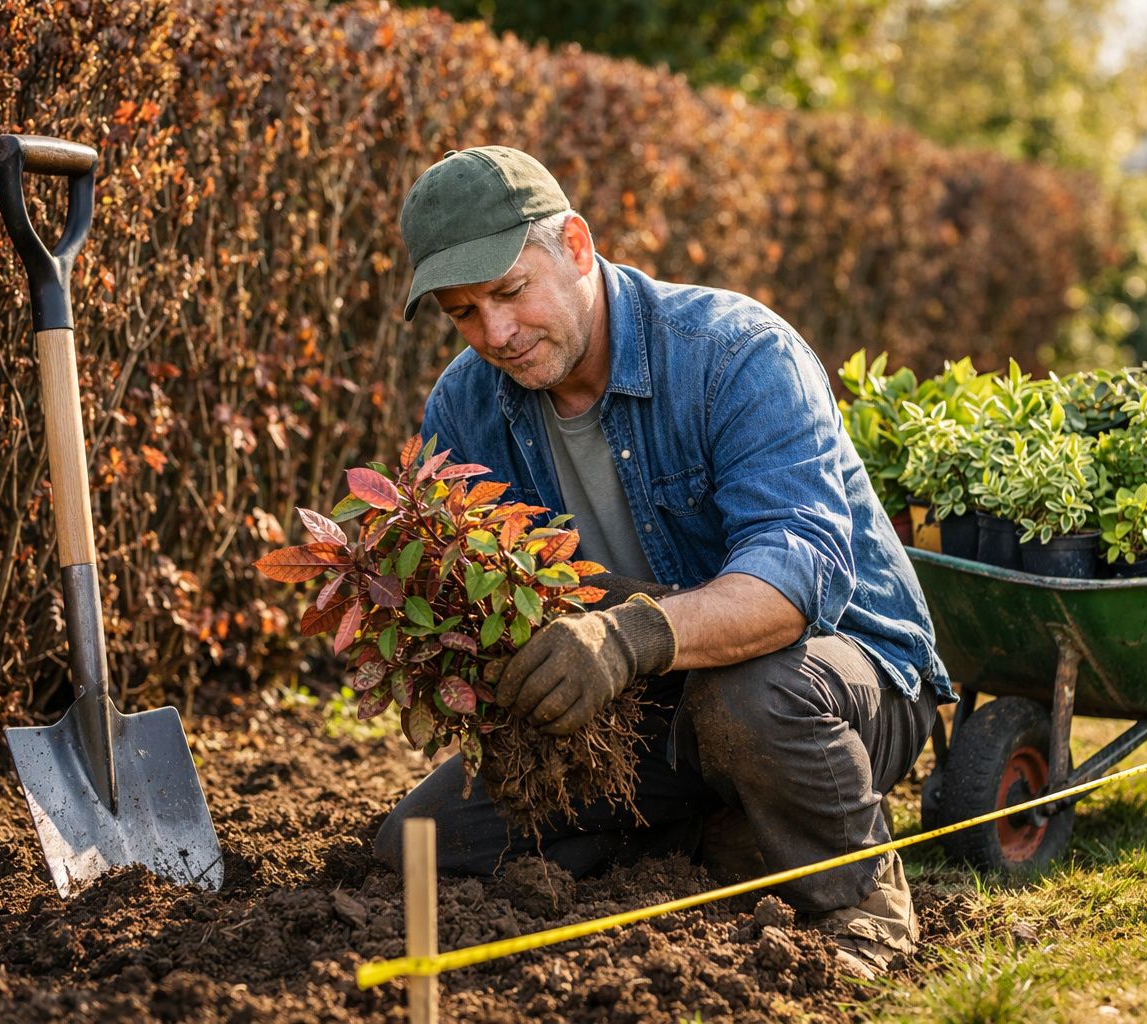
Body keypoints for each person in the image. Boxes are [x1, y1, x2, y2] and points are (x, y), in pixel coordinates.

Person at [374, 145, 953, 977]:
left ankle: (861, 903)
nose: (494, 333)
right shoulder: (467, 404)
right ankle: (716, 840)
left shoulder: (737, 354)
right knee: (424, 842)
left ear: (575, 246)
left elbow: (794, 582)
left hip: (837, 685)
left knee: (747, 694)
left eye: (508, 291)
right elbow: (476, 585)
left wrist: (626, 636)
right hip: (644, 704)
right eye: (464, 313)